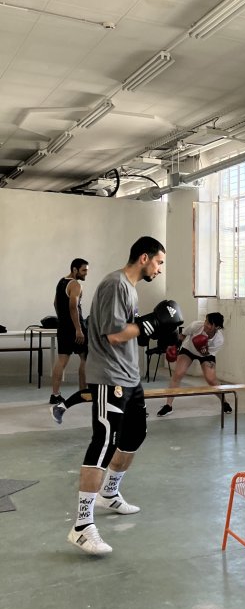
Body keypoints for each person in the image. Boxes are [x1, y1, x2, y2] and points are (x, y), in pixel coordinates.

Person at [67, 236, 183, 557]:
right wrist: (151, 323)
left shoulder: (130, 288)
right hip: (110, 376)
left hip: (130, 376)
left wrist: (156, 329)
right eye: (158, 263)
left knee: (135, 433)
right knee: (103, 442)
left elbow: (130, 330)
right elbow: (114, 334)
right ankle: (81, 525)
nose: (159, 270)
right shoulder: (114, 285)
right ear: (144, 258)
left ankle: (110, 492)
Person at [156, 313, 228, 416]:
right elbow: (183, 335)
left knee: (211, 380)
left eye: (208, 323)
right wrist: (176, 346)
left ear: (216, 327)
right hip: (188, 350)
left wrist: (201, 345)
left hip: (205, 355)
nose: (205, 324)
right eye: (206, 321)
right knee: (178, 374)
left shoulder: (219, 340)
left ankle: (224, 402)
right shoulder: (196, 325)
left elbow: (208, 354)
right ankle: (168, 405)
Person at [49, 258, 90, 422]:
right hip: (75, 329)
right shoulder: (75, 284)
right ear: (74, 270)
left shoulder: (61, 282)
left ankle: (55, 394)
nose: (86, 273)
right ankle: (83, 392)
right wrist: (79, 329)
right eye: (84, 270)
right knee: (85, 358)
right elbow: (73, 306)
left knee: (61, 361)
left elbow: (55, 303)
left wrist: (62, 320)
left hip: (63, 328)